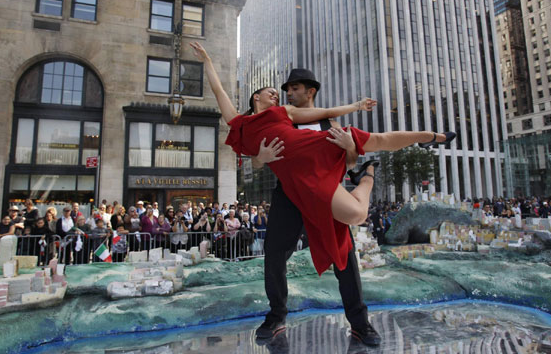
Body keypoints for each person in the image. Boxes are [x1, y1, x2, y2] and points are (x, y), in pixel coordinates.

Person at [190, 41, 455, 346]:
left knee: (344, 255)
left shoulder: (327, 123)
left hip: (323, 189)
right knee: (275, 255)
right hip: (289, 193)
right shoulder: (277, 117)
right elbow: (255, 159)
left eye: (295, 88)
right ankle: (276, 316)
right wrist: (261, 157)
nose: (288, 92)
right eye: (285, 89)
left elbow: (349, 160)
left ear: (310, 91)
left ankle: (360, 323)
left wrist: (350, 149)